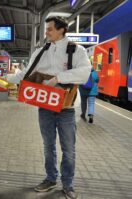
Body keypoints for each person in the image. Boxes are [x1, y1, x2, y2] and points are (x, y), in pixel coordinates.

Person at [6, 17, 91, 199]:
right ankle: (51, 178)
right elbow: (26, 73)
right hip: (45, 105)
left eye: (50, 29)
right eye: (47, 29)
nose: (47, 33)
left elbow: (84, 73)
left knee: (68, 148)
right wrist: (7, 78)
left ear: (61, 30)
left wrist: (58, 78)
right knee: (48, 145)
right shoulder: (41, 51)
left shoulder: (76, 50)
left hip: (66, 108)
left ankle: (68, 184)